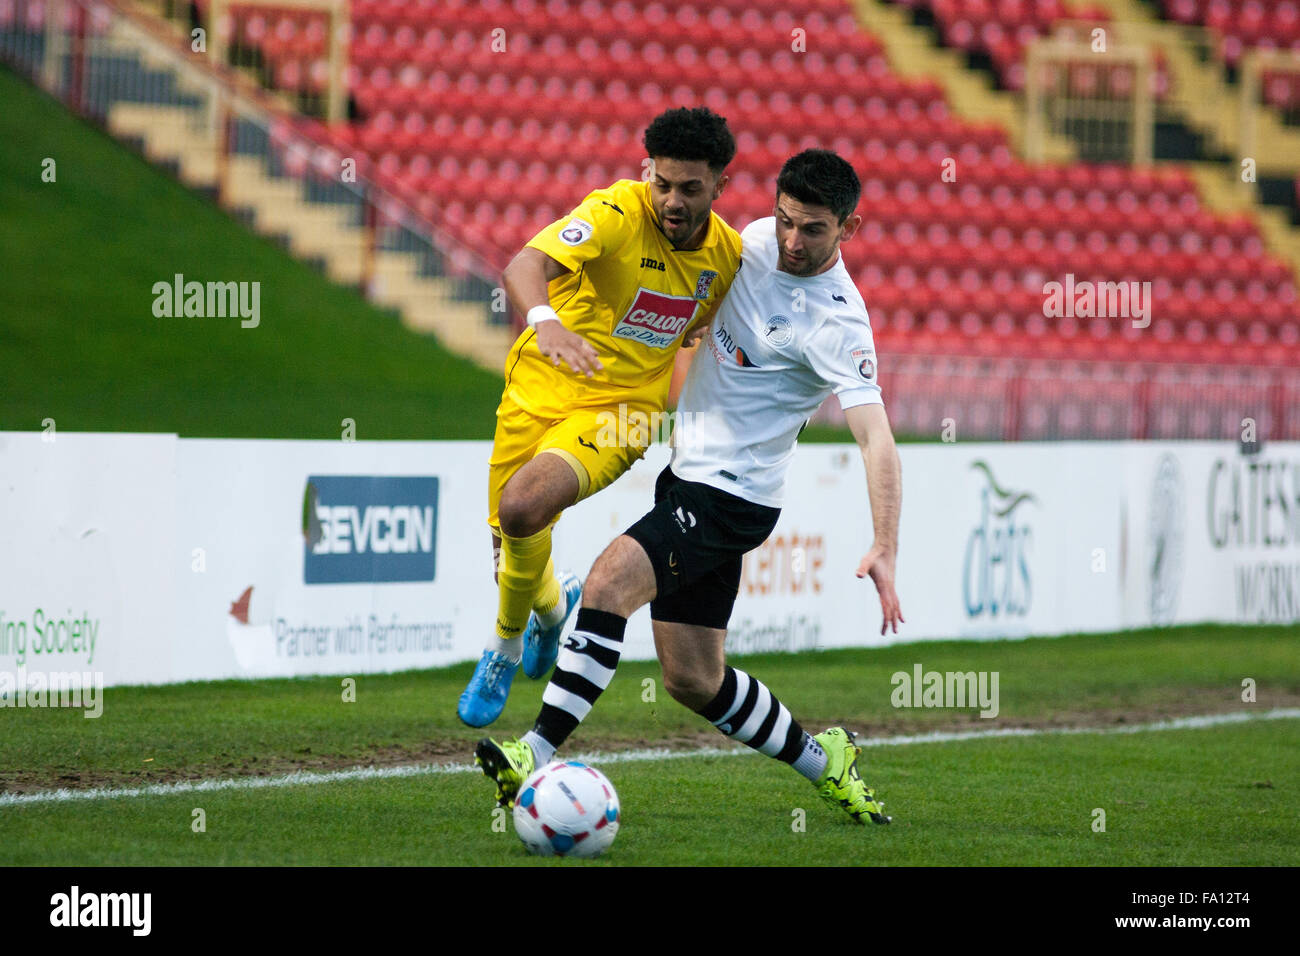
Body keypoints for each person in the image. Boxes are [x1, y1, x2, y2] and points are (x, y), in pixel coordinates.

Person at [475, 149, 905, 825]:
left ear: (849, 228)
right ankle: (827, 762)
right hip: (687, 480)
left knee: (610, 579)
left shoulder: (838, 323)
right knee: (693, 680)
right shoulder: (753, 246)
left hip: (733, 498)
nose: (793, 241)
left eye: (814, 230)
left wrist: (885, 543)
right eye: (786, 220)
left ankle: (532, 752)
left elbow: (876, 437)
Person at [457, 108, 744, 728]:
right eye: (661, 182)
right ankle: (552, 610)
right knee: (509, 542)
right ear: (648, 172)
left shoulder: (726, 261)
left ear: (720, 186)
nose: (671, 199)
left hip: (624, 412)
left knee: (523, 506)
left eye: (690, 188)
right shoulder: (616, 212)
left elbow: (700, 340)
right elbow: (523, 268)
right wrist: (547, 321)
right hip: (540, 385)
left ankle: (503, 647)